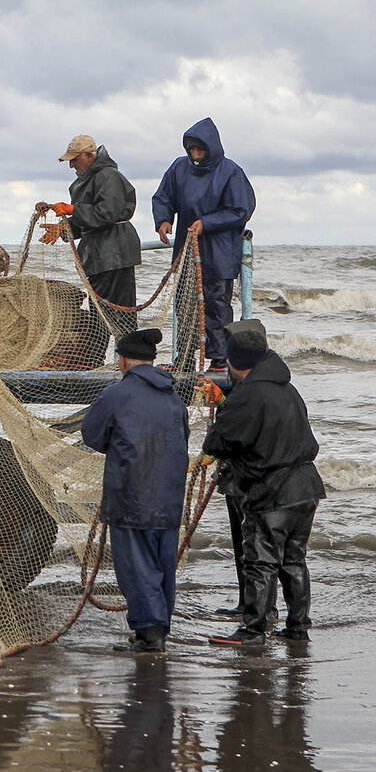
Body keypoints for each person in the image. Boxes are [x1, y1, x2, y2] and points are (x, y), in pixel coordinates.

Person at [205, 320, 325, 647]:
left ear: (235, 363)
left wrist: (220, 408)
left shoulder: (250, 394)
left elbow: (219, 442)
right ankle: (297, 627)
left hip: (273, 491)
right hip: (306, 487)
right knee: (294, 561)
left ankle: (253, 630)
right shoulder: (287, 388)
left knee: (260, 561)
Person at [80, 329, 190, 653]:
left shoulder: (118, 394)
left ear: (124, 361)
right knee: (162, 564)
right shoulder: (174, 398)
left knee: (137, 566)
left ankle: (149, 635)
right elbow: (182, 439)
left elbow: (92, 435)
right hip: (169, 498)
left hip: (131, 495)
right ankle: (157, 628)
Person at [151, 118, 255, 370]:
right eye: (192, 150)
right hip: (187, 248)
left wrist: (206, 223)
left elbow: (241, 210)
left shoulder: (231, 172)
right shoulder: (179, 168)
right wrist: (163, 219)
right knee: (185, 305)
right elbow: (163, 196)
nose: (196, 155)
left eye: (200, 150)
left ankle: (220, 359)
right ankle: (184, 359)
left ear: (212, 148)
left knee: (217, 305)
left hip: (219, 250)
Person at [41, 134, 142, 340]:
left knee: (117, 312)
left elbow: (108, 213)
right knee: (100, 311)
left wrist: (71, 210)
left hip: (114, 254)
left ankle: (125, 360)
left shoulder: (108, 176)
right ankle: (110, 361)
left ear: (88, 156)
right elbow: (87, 219)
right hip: (99, 256)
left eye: (74, 159)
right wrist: (64, 228)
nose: (71, 165)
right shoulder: (84, 182)